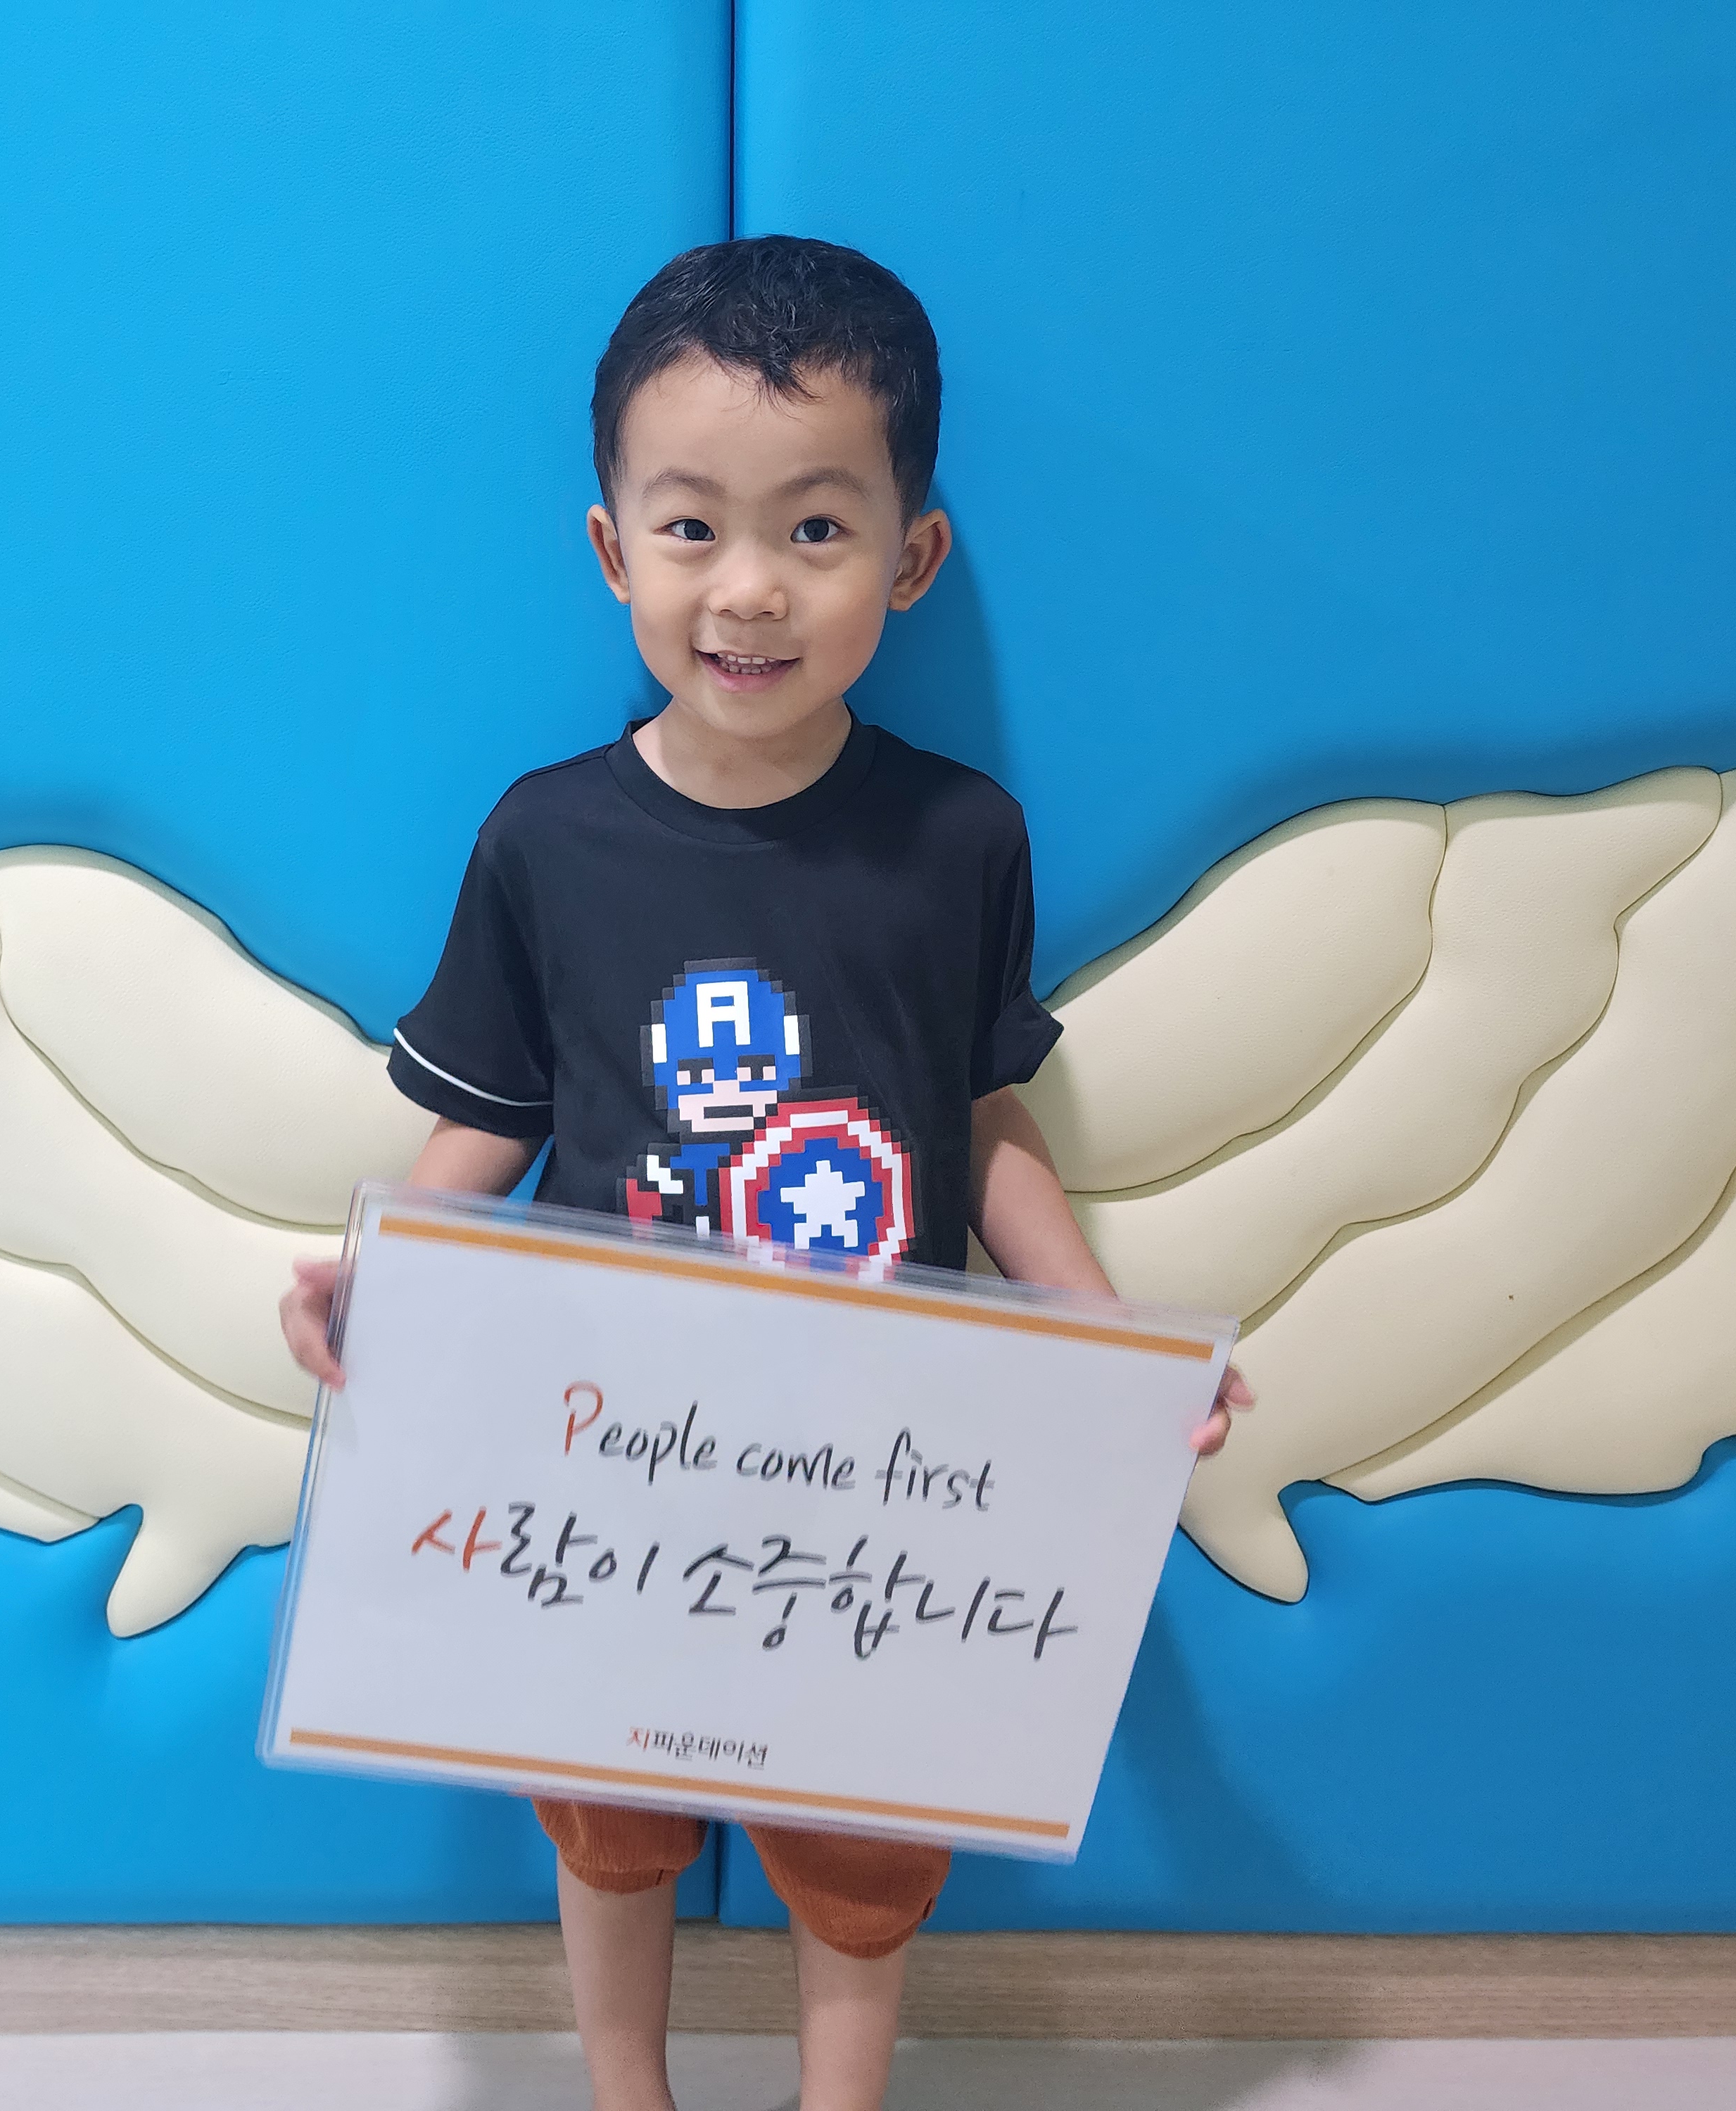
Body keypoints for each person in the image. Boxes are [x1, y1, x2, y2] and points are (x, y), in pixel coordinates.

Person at [278, 234, 1251, 2111]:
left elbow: (983, 1120)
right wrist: (376, 1271)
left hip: (881, 1458)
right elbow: (493, 1114)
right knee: (607, 1823)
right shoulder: (546, 841)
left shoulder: (962, 839)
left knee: (867, 1839)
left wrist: (1119, 1345)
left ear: (912, 558)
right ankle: (625, 2091)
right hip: (605, 1447)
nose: (748, 588)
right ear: (612, 550)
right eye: (692, 528)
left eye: (815, 529)